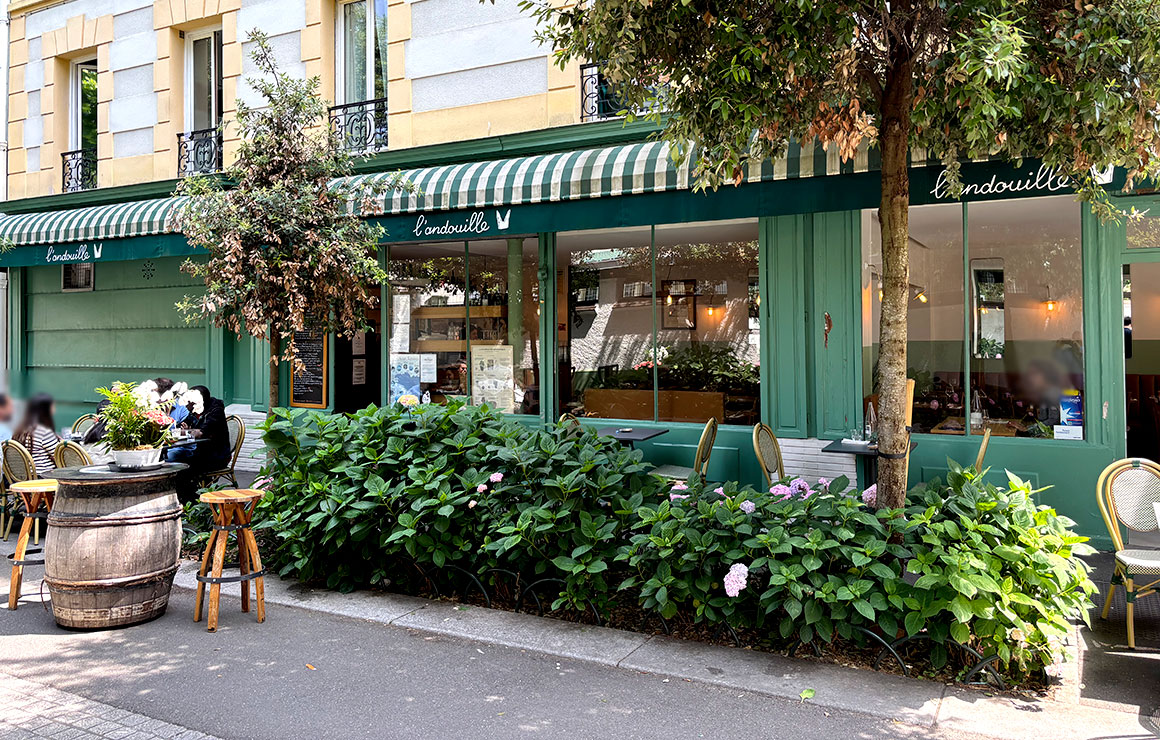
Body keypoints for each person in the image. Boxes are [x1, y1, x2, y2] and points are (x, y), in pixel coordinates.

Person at [166, 385, 230, 502]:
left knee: (181, 466)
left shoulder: (215, 412)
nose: (187, 405)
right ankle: (183, 497)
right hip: (200, 452)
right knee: (174, 460)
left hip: (216, 455)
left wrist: (187, 431)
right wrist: (185, 427)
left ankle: (189, 499)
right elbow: (186, 425)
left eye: (190, 402)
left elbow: (201, 432)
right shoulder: (195, 410)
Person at [14, 393, 59, 476]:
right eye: (53, 405)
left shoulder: (21, 428)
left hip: (25, 477)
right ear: (46, 409)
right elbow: (60, 456)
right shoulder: (44, 432)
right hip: (43, 477)